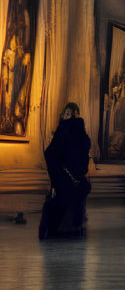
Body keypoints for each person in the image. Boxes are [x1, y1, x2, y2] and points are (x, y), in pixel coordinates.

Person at [40, 102, 92, 239]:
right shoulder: (76, 132)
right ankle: (72, 230)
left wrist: (58, 172)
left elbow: (51, 153)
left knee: (61, 203)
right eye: (65, 113)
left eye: (69, 113)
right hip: (72, 177)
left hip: (67, 177)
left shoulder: (64, 130)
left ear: (75, 115)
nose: (66, 116)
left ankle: (54, 231)